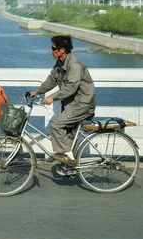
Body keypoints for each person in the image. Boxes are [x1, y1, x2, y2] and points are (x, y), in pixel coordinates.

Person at [30, 35, 96, 166]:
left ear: (62, 50)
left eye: (53, 48)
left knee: (56, 125)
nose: (51, 51)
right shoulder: (60, 63)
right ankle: (71, 163)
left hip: (82, 104)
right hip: (71, 104)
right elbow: (52, 79)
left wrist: (52, 97)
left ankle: (67, 159)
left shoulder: (74, 66)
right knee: (67, 133)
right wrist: (37, 91)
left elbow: (71, 87)